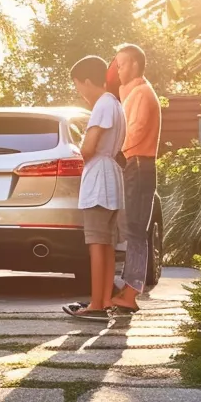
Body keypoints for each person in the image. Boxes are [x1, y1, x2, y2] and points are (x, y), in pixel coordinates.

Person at [63, 55, 139, 320]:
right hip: (111, 176)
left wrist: (79, 150)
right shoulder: (115, 104)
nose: (79, 92)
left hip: (99, 178)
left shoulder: (101, 106)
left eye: (78, 86)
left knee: (96, 242)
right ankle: (104, 299)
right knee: (106, 243)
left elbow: (88, 147)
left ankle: (96, 304)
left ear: (86, 81)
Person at [114, 43, 161, 300]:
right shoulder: (133, 94)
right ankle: (128, 289)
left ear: (133, 64)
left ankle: (131, 293)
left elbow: (135, 131)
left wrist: (114, 150)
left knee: (135, 230)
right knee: (131, 228)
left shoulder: (142, 93)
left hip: (140, 164)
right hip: (135, 164)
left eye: (121, 65)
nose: (118, 70)